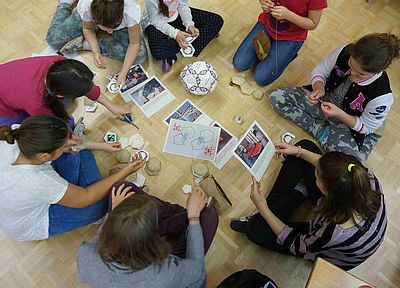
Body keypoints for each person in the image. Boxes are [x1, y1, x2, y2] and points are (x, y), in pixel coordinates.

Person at [230, 139, 387, 271]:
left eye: (317, 178)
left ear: (328, 194)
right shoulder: (364, 176)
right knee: (304, 146)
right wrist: (299, 151)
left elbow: (296, 244)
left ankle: (278, 206)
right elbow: (326, 166)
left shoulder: (335, 231)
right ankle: (298, 193)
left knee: (254, 229)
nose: (315, 175)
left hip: (326, 250)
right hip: (339, 216)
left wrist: (262, 208)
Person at [0, 115, 145, 241]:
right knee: (104, 202)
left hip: (18, 200)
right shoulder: (38, 180)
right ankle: (91, 199)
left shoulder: (18, 136)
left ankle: (75, 181)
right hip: (32, 221)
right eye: (63, 145)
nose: (70, 142)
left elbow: (71, 145)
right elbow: (85, 197)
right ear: (44, 156)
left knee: (75, 151)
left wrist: (95, 145)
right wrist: (124, 172)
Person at [270, 33, 400, 162]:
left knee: (348, 165)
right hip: (325, 102)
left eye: (361, 74)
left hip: (349, 123)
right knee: (277, 98)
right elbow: (320, 71)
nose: (352, 73)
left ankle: (325, 130)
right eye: (351, 64)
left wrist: (339, 114)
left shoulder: (382, 96)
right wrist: (318, 87)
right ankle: (322, 131)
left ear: (379, 71)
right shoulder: (344, 51)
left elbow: (367, 127)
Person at [77, 182, 219, 288]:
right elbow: (198, 271)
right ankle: (178, 216)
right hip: (174, 269)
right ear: (154, 241)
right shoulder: (162, 276)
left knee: (121, 187)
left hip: (142, 252)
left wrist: (115, 212)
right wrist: (193, 217)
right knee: (209, 216)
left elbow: (103, 237)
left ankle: (174, 217)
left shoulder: (86, 255)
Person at [46, 0, 147, 86]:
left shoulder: (130, 13)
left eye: (112, 29)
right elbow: (87, 28)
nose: (109, 32)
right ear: (95, 21)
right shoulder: (87, 6)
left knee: (140, 55)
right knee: (53, 40)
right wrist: (96, 52)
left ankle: (85, 44)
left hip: (115, 20)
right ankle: (66, 1)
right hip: (94, 16)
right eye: (105, 29)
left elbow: (134, 44)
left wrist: (123, 73)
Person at [0, 55, 131, 126]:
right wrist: (73, 140)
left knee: (65, 120)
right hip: (4, 108)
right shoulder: (36, 102)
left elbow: (85, 85)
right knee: (65, 124)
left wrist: (112, 106)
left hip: (13, 84)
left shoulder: (61, 64)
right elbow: (54, 126)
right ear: (59, 94)